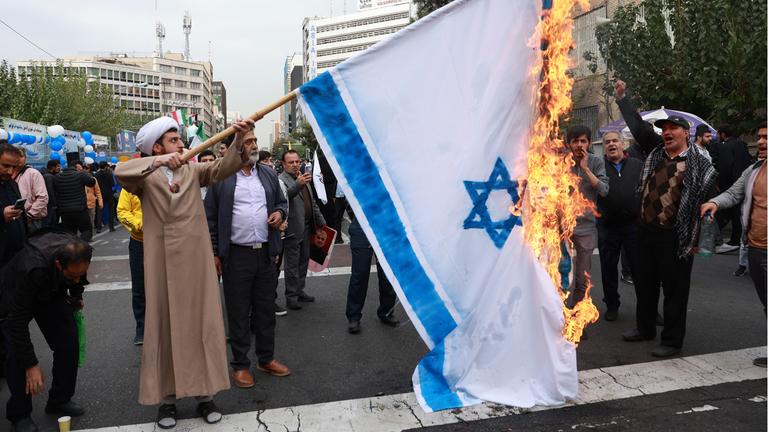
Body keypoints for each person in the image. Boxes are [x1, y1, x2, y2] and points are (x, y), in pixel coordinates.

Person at [114, 116, 250, 428]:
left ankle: (205, 396)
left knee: (200, 323)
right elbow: (121, 172)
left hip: (196, 261)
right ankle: (167, 402)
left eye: (180, 140)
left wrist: (238, 139)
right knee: (164, 327)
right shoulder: (144, 176)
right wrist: (159, 160)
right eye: (173, 141)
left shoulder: (192, 170)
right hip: (161, 263)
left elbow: (223, 168)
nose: (182, 145)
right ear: (157, 146)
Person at [615, 81, 717, 358]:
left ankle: (671, 340)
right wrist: (623, 99)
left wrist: (698, 239)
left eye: (672, 128)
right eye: (664, 129)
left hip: (676, 235)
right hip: (646, 230)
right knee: (645, 284)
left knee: (674, 290)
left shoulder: (701, 164)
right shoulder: (656, 152)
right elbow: (638, 127)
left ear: (686, 133)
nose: (667, 132)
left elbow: (710, 205)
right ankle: (645, 328)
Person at [204, 127, 289, 389]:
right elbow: (211, 219)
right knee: (239, 312)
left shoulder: (267, 173)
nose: (253, 145)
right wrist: (216, 254)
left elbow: (281, 203)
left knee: (265, 310)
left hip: (265, 253)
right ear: (235, 147)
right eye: (247, 141)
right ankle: (240, 365)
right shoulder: (222, 177)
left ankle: (266, 358)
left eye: (254, 140)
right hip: (236, 256)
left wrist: (279, 214)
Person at [0, 229, 92, 432]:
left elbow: (79, 276)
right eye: (72, 276)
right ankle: (19, 415)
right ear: (60, 265)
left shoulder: (80, 251)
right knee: (17, 356)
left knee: (68, 340)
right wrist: (31, 364)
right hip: (14, 296)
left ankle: (59, 399)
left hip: (50, 287)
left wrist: (76, 295)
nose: (77, 279)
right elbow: (17, 323)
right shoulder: (30, 268)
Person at [701, 123, 767, 367]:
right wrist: (715, 203)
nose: (760, 142)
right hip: (755, 247)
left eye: (766, 138)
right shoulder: (754, 170)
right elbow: (733, 193)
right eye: (759, 137)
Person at [596, 131, 643, 322]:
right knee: (608, 268)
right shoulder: (599, 166)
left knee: (641, 269)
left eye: (615, 140)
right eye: (607, 142)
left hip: (634, 225)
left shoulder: (637, 165)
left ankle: (648, 308)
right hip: (608, 226)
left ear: (623, 143)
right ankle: (612, 305)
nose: (611, 144)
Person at [566, 125, 609, 309]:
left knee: (583, 279)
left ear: (589, 143)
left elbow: (604, 191)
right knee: (561, 275)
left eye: (583, 140)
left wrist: (585, 169)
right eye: (575, 141)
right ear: (569, 144)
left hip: (586, 227)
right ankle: (558, 317)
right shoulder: (560, 163)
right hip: (562, 227)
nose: (579, 145)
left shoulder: (596, 162)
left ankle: (577, 319)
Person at [279, 150, 327, 311]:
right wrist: (298, 184)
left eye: (297, 162)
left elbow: (311, 203)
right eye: (291, 162)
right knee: (292, 264)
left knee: (304, 261)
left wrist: (321, 223)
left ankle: (300, 290)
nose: (295, 165)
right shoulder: (281, 180)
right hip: (292, 228)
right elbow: (283, 199)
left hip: (307, 227)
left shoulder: (304, 177)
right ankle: (291, 296)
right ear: (284, 164)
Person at [346, 208, 399, 334]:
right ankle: (353, 316)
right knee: (360, 274)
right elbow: (348, 201)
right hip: (361, 228)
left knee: (387, 274)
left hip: (385, 228)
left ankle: (386, 311)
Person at [0, 142, 27, 388]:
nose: (9, 171)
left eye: (13, 167)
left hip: (15, 261)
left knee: (12, 318)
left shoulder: (11, 183)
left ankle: (10, 362)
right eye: (5, 165)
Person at [713, 124, 752, 252]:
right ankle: (738, 238)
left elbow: (724, 167)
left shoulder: (724, 146)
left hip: (730, 184)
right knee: (739, 212)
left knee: (726, 211)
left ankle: (729, 239)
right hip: (746, 181)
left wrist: (719, 183)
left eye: (719, 134)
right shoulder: (742, 145)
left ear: (723, 134)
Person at [116, 188, 145, 345]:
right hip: (139, 243)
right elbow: (122, 211)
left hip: (164, 242)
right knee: (140, 287)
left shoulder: (166, 180)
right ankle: (142, 328)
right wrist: (139, 224)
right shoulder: (130, 185)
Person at [53, 160, 96, 242]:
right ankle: (80, 244)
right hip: (80, 209)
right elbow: (92, 182)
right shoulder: (80, 175)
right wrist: (84, 173)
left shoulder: (57, 177)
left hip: (64, 211)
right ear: (76, 167)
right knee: (87, 230)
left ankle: (73, 249)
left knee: (70, 233)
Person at [13, 148, 48, 233]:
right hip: (13, 219)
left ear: (25, 157)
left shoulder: (33, 173)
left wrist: (30, 215)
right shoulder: (8, 173)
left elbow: (43, 197)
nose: (19, 158)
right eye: (16, 156)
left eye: (21, 156)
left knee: (32, 244)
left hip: (32, 219)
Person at [94, 161, 116, 232]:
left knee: (99, 211)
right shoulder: (109, 173)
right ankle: (111, 227)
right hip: (109, 193)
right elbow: (112, 184)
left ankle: (99, 228)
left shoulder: (96, 174)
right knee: (111, 210)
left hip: (100, 194)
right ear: (106, 166)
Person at [84, 169, 103, 238]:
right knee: (84, 221)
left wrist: (100, 202)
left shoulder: (92, 179)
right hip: (82, 204)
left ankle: (90, 235)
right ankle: (86, 235)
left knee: (91, 220)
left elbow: (98, 191)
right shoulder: (78, 180)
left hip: (91, 203)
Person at [41, 160, 60, 227]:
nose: (59, 168)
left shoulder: (47, 175)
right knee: (50, 223)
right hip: (50, 205)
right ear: (52, 167)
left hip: (48, 205)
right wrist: (55, 203)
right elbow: (50, 191)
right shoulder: (49, 177)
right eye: (58, 166)